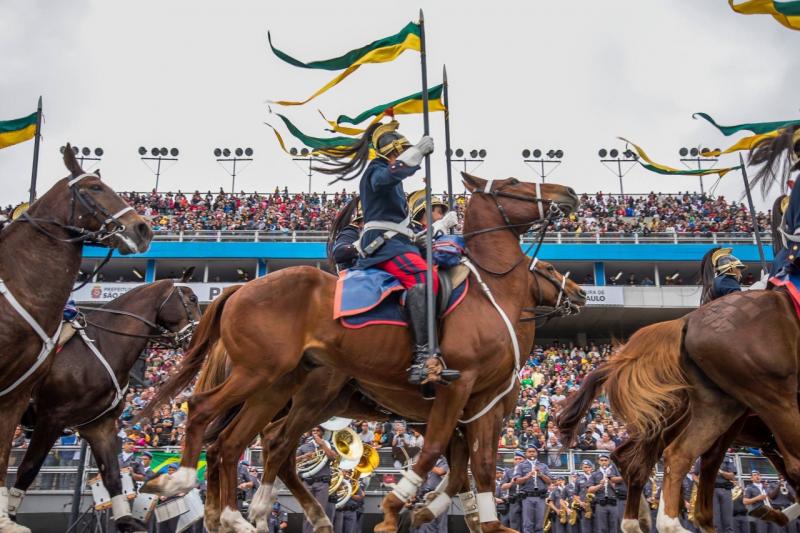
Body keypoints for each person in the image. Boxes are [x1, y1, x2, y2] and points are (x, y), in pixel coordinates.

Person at [313, 119, 459, 398]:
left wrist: (439, 228)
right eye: (400, 151)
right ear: (391, 152)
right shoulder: (375, 171)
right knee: (424, 277)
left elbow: (409, 232)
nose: (402, 154)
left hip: (398, 244)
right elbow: (388, 177)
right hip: (386, 248)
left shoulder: (395, 189)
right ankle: (422, 356)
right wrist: (416, 152)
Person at [296, 427, 338, 533]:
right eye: (313, 431)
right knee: (307, 513)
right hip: (307, 482)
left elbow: (333, 458)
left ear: (322, 433)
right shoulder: (304, 447)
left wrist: (322, 444)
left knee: (320, 514)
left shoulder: (328, 445)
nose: (315, 433)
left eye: (318, 431)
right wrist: (304, 457)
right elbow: (293, 461)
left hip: (322, 483)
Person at [691, 454, 736, 533]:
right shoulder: (703, 458)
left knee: (728, 522)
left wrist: (720, 471)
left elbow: (732, 476)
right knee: (715, 522)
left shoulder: (727, 458)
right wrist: (701, 484)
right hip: (711, 492)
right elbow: (694, 475)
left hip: (726, 491)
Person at [514, 446, 553, 533]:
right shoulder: (521, 466)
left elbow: (550, 481)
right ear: (526, 454)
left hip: (540, 497)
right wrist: (527, 476)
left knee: (539, 524)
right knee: (528, 524)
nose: (531, 453)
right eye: (529, 451)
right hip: (527, 497)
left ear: (537, 453)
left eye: (533, 451)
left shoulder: (543, 466)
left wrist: (540, 474)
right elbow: (517, 481)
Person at [412, 455, 449, 533]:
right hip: (425, 495)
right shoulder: (426, 462)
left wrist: (427, 465)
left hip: (439, 496)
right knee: (426, 523)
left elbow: (441, 471)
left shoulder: (445, 460)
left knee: (441, 523)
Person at [589, 454, 619, 533]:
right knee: (601, 528)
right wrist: (600, 485)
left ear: (609, 461)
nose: (603, 462)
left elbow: (619, 489)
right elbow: (590, 490)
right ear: (598, 461)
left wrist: (609, 480)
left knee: (614, 527)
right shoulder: (594, 474)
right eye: (601, 460)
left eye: (605, 460)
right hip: (601, 504)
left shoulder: (615, 474)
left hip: (613, 503)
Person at [501, 451, 525, 531]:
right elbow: (503, 487)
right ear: (513, 461)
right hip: (514, 500)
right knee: (514, 523)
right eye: (516, 459)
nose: (518, 460)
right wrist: (511, 483)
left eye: (520, 459)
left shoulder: (527, 471)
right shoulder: (509, 472)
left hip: (525, 499)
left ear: (524, 460)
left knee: (527, 523)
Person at [574, 460, 595, 533]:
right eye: (585, 467)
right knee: (586, 528)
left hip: (596, 505)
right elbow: (575, 494)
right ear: (582, 468)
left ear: (592, 468)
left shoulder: (596, 476)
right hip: (585, 506)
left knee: (598, 527)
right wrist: (580, 502)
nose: (587, 469)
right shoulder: (579, 479)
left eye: (589, 467)